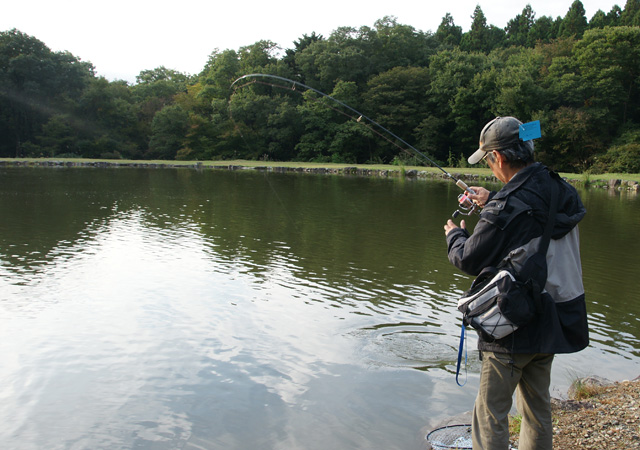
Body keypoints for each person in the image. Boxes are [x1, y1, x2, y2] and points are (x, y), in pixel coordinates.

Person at [443, 116, 589, 449]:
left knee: (490, 412)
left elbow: (468, 258)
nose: (491, 167)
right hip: (555, 318)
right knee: (537, 409)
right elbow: (533, 216)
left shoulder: (507, 206)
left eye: (490, 160)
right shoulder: (558, 188)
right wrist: (492, 198)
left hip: (513, 323)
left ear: (501, 158)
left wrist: (455, 236)